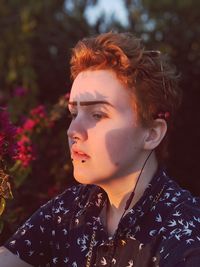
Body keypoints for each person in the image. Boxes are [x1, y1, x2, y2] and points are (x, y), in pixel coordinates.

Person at [0, 32, 200, 267]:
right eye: (74, 114)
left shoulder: (184, 232)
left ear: (152, 133)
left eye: (97, 115)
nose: (73, 130)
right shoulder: (73, 208)